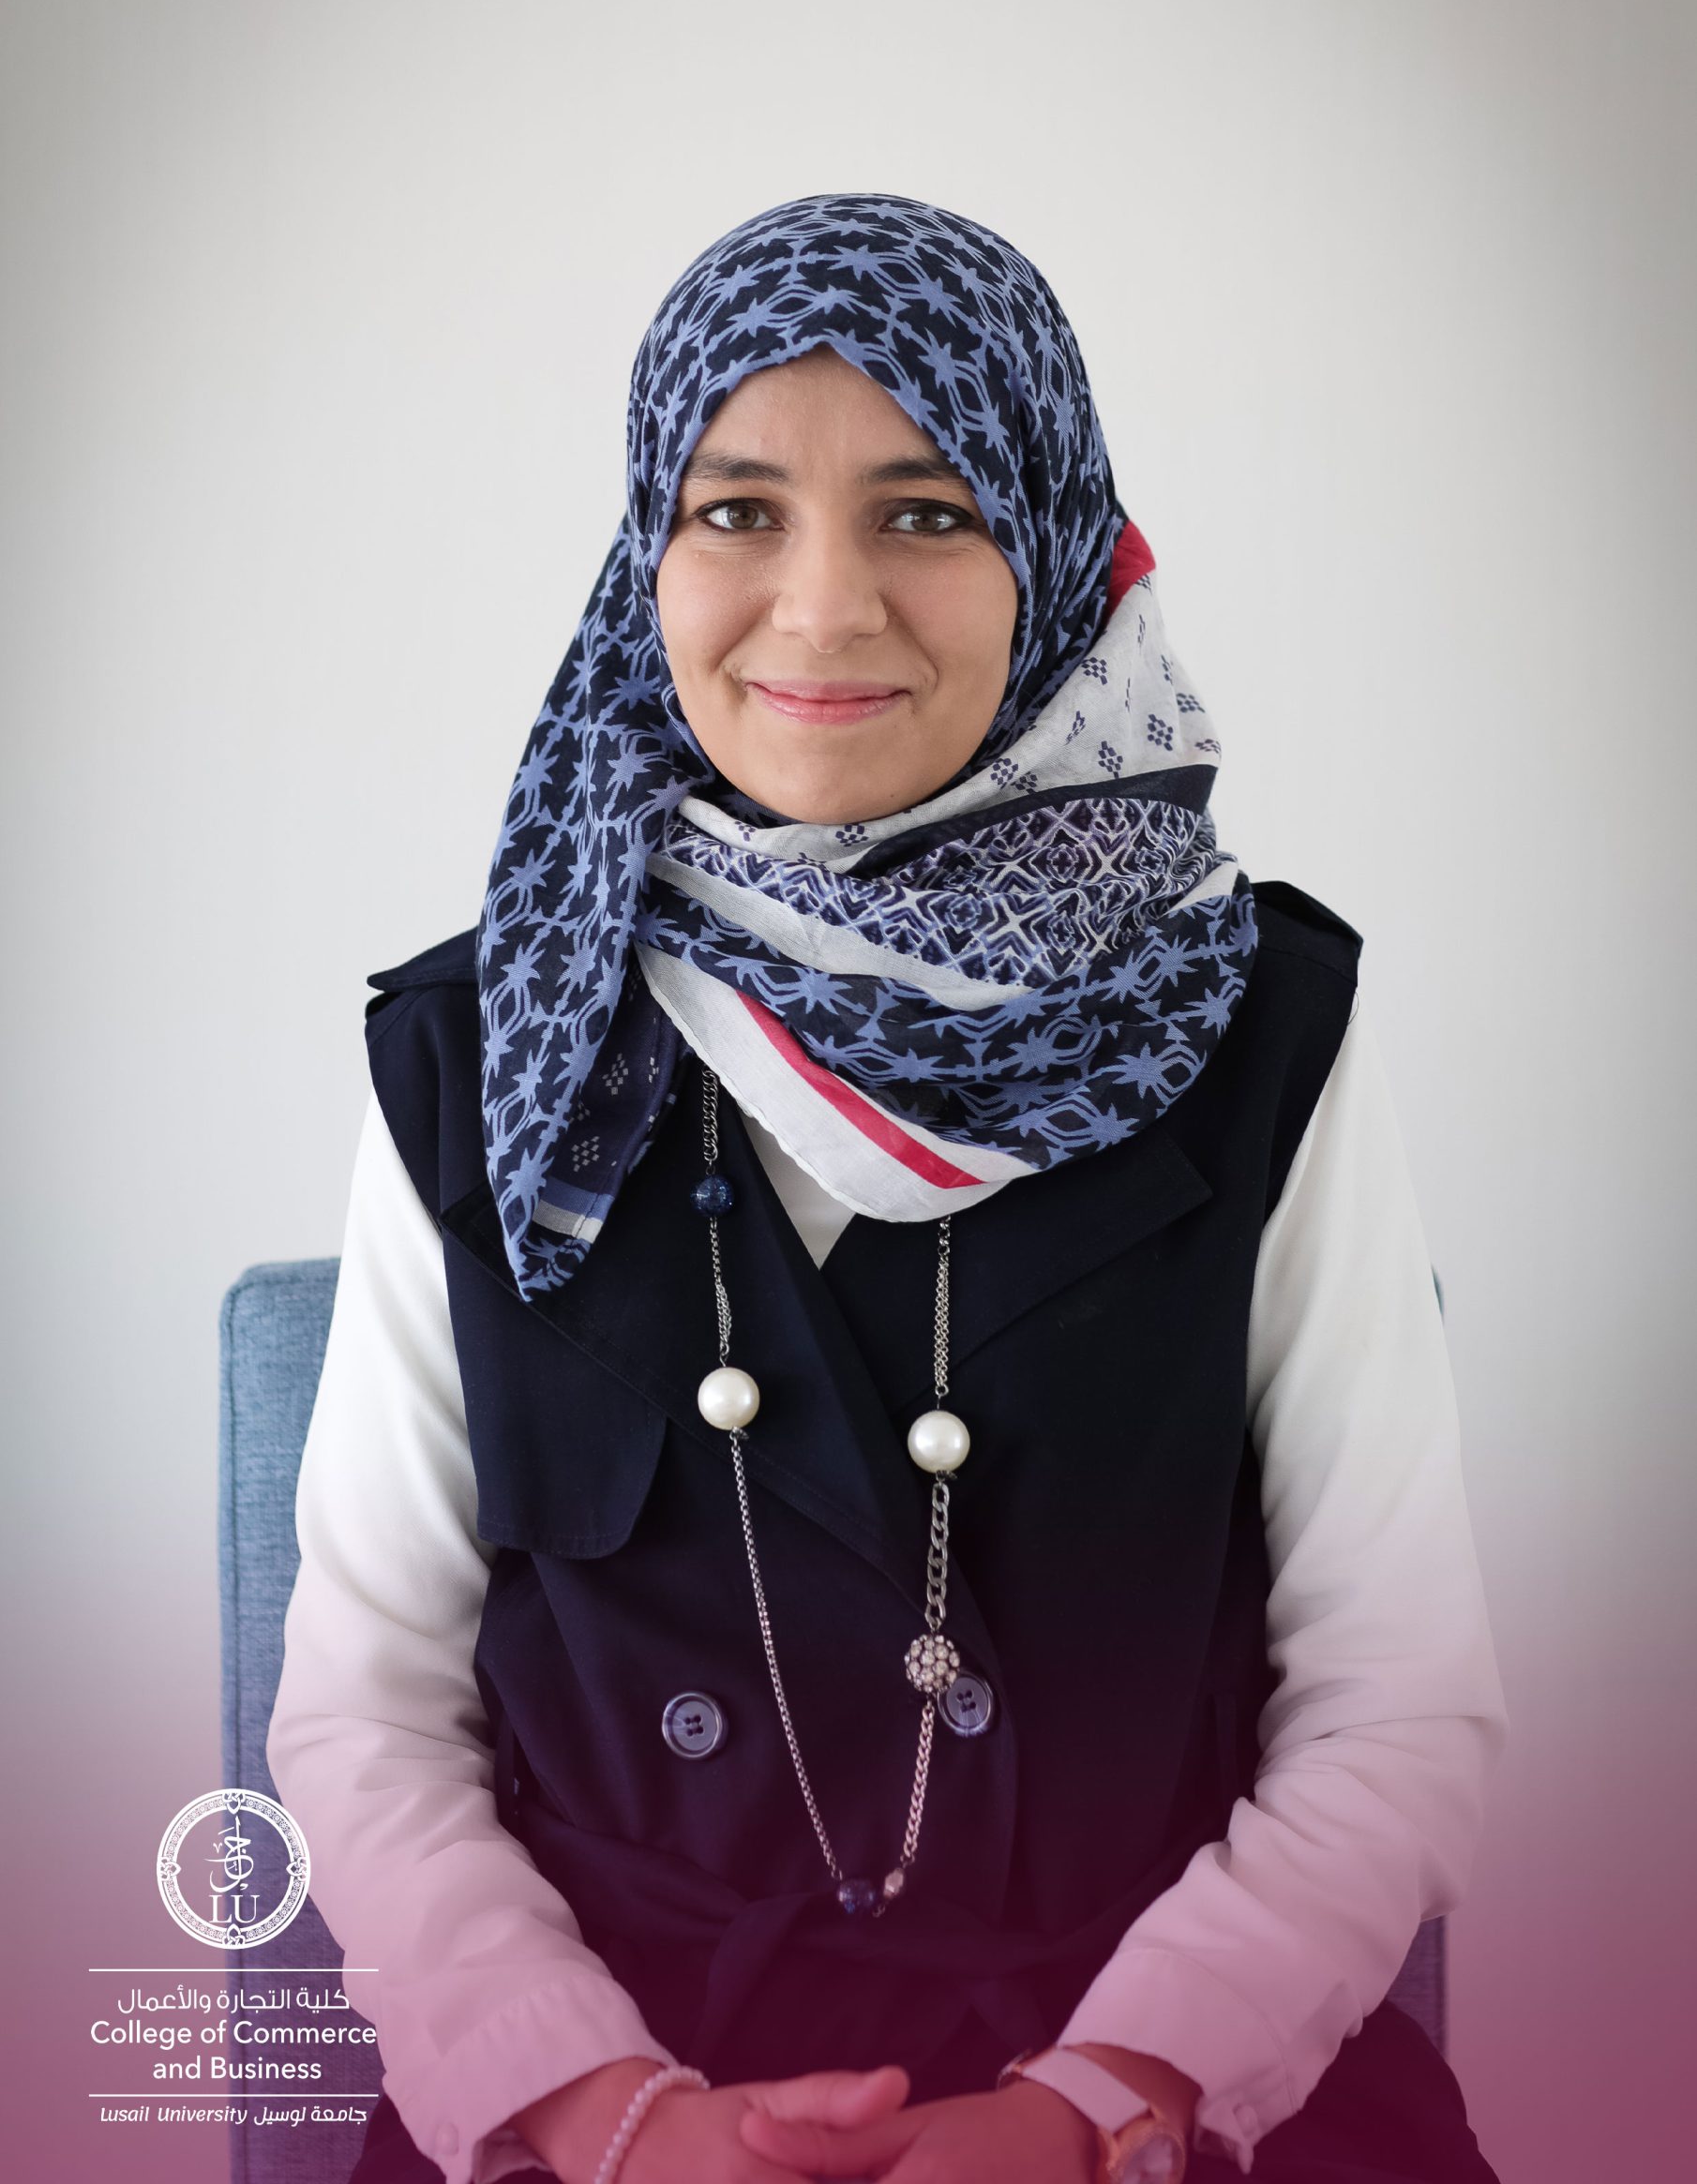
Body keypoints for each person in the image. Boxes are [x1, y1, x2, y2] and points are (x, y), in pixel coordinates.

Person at [267, 192, 1509, 2184]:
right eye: (736, 511)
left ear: (1054, 542)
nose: (825, 607)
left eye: (926, 512)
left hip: (1161, 2083)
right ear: (646, 556)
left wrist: (1100, 2103)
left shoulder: (1247, 1017)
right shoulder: (488, 1037)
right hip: (606, 2092)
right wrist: (604, 2112)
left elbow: (1397, 1702)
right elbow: (367, 1715)